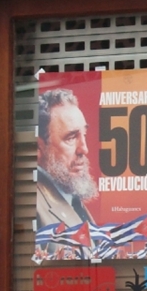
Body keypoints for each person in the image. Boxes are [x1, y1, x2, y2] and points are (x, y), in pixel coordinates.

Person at [36, 88, 97, 259]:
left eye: (83, 134)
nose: (84, 149)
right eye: (71, 138)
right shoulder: (35, 206)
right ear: (39, 148)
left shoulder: (71, 197)